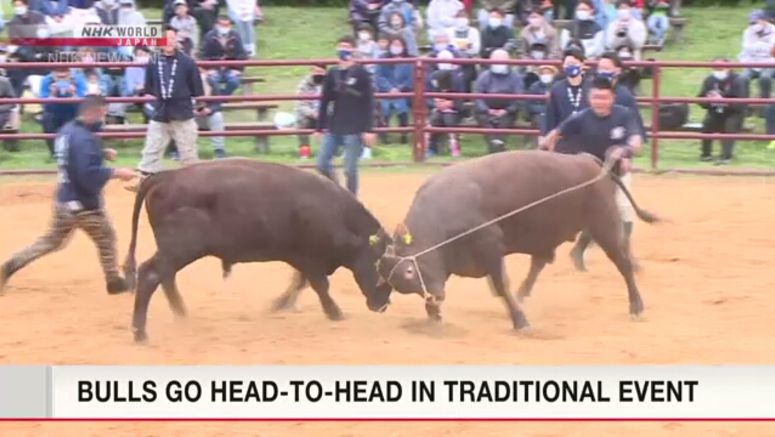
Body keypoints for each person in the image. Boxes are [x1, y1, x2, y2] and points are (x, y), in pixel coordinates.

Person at [0, 95, 136, 294]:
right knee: (106, 237)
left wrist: (100, 153)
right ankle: (113, 280)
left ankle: (9, 266)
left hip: (64, 199)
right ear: (95, 112)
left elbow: (74, 157)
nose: (104, 119)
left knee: (50, 241)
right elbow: (87, 174)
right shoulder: (84, 139)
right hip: (82, 203)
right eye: (103, 114)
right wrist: (116, 172)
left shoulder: (68, 131)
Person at [540, 77, 643, 271]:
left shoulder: (624, 115)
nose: (600, 102)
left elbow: (637, 140)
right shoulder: (581, 117)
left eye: (604, 98)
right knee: (595, 215)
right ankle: (580, 250)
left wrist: (626, 150)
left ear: (612, 98)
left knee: (624, 211)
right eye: (596, 97)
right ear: (589, 98)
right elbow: (557, 132)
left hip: (617, 173)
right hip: (591, 178)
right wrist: (546, 143)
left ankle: (625, 254)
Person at [129, 27, 204, 190]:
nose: (169, 42)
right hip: (161, 110)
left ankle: (195, 185)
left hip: (182, 111)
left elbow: (196, 88)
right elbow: (149, 86)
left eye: (172, 38)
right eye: (165, 39)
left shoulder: (187, 62)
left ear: (177, 40)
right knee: (152, 147)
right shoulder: (153, 61)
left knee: (188, 149)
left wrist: (199, 105)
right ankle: (143, 180)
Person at [316, 36, 376, 196]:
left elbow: (369, 101)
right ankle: (336, 191)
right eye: (341, 46)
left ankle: (352, 199)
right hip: (335, 125)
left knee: (350, 168)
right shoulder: (332, 73)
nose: (343, 50)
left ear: (354, 50)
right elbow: (324, 101)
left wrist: (369, 129)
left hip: (355, 128)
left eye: (347, 46)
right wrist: (319, 127)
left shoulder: (362, 74)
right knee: (321, 163)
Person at [696, 59, 746, 165]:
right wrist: (708, 100)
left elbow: (741, 104)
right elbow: (700, 100)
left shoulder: (738, 80)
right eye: (715, 69)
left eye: (720, 69)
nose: (717, 71)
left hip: (734, 113)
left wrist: (723, 101)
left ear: (728, 68)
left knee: (730, 125)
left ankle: (726, 156)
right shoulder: (709, 80)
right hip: (715, 111)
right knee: (707, 123)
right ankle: (706, 154)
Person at [473, 48, 523, 153]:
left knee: (503, 124)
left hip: (507, 111)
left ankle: (496, 150)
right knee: (486, 123)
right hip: (486, 111)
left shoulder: (516, 77)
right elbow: (477, 96)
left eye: (501, 60)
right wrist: (487, 110)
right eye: (495, 60)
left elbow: (519, 98)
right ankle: (497, 149)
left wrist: (507, 110)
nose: (498, 64)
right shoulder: (484, 76)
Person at [541, 48, 590, 145]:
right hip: (562, 137)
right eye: (568, 64)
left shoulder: (591, 87)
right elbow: (550, 116)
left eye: (574, 63)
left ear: (582, 64)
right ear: (563, 66)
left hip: (588, 136)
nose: (571, 66)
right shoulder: (556, 89)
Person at [596, 51, 646, 140]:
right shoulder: (588, 92)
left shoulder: (625, 96)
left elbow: (637, 130)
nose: (602, 72)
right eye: (600, 69)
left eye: (606, 69)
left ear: (618, 70)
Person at [40, 67, 87, 159]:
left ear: (70, 73)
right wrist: (52, 94)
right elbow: (44, 104)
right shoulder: (46, 80)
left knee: (81, 119)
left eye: (65, 72)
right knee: (47, 118)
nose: (61, 75)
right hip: (53, 111)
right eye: (58, 72)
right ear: (53, 73)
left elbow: (83, 103)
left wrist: (73, 94)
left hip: (73, 111)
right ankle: (54, 153)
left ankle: (76, 153)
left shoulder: (79, 79)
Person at [426, 51, 465, 157]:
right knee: (434, 119)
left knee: (449, 118)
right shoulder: (432, 77)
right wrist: (435, 103)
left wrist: (451, 103)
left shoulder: (457, 77)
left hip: (454, 110)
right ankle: (431, 148)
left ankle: (454, 146)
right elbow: (427, 96)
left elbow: (462, 98)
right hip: (437, 109)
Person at [376, 36, 413, 144]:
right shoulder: (382, 58)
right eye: (394, 44)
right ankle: (384, 135)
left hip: (402, 93)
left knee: (401, 106)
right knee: (384, 107)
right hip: (385, 92)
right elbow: (379, 77)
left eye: (399, 45)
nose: (396, 47)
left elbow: (410, 79)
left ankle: (404, 134)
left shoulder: (409, 60)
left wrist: (399, 89)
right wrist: (389, 88)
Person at [200, 15, 247, 96]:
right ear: (217, 25)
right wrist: (207, 70)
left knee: (234, 82)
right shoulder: (209, 36)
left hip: (230, 69)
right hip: (214, 69)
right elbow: (203, 54)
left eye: (227, 25)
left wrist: (239, 70)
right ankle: (219, 99)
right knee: (212, 81)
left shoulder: (235, 35)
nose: (225, 27)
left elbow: (242, 54)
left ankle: (222, 98)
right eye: (222, 25)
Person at [739, 10, 775, 102]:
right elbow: (748, 48)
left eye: (756, 22)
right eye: (751, 22)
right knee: (742, 78)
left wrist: (757, 46)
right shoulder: (747, 32)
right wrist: (763, 46)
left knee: (765, 77)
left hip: (770, 63)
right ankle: (744, 104)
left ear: (765, 20)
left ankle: (765, 104)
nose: (753, 25)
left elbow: (771, 51)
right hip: (751, 63)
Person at [195, 66, 227, 159]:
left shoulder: (211, 82)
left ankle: (219, 149)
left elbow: (218, 103)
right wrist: (191, 111)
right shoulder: (182, 84)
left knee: (217, 116)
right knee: (180, 118)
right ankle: (181, 150)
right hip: (190, 116)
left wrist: (209, 110)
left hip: (208, 115)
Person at [295, 64, 326, 159]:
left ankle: (327, 152)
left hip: (326, 115)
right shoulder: (304, 84)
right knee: (301, 123)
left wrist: (324, 113)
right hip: (310, 116)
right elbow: (301, 105)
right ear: (311, 71)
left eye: (320, 72)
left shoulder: (330, 83)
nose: (318, 74)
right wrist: (312, 113)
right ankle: (304, 152)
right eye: (316, 71)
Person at [526, 64, 557, 142]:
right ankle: (537, 144)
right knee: (540, 120)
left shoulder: (558, 86)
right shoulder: (534, 87)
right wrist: (543, 110)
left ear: (553, 74)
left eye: (548, 73)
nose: (546, 75)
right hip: (538, 113)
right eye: (543, 73)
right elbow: (529, 104)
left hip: (555, 113)